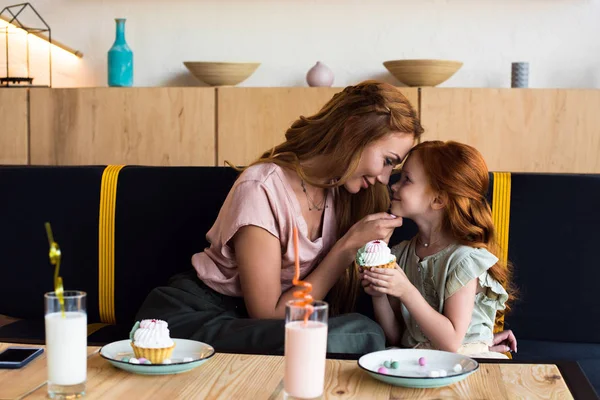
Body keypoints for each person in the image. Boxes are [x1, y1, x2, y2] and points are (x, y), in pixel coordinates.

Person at [136, 81, 516, 356]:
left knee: (361, 333)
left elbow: (439, 227)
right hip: (198, 313)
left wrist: (471, 340)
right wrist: (345, 248)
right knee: (357, 335)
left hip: (263, 326)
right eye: (386, 162)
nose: (386, 179)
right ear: (353, 135)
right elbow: (267, 313)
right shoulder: (262, 187)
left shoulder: (347, 192)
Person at [361, 140, 518, 358]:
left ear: (438, 199)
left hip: (466, 360)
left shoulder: (463, 260)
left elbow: (451, 343)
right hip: (420, 359)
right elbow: (398, 337)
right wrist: (378, 295)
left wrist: (406, 291)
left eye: (407, 179)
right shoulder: (402, 254)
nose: (394, 185)